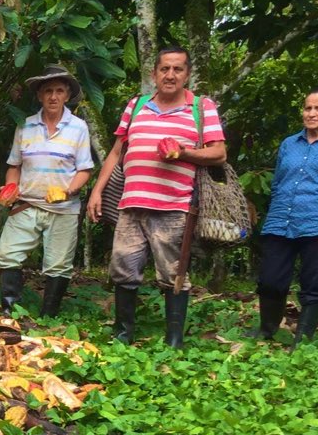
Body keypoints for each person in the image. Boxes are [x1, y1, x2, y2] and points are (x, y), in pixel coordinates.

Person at [86, 47, 227, 347]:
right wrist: (97, 191)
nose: (170, 75)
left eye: (177, 69)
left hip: (175, 205)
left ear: (187, 74)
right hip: (132, 202)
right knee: (123, 267)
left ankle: (173, 339)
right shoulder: (136, 106)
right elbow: (116, 153)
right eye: (164, 69)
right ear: (154, 73)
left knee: (172, 272)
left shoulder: (202, 108)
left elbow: (218, 152)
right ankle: (123, 334)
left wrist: (185, 151)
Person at [247, 88, 318, 347]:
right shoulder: (289, 143)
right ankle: (267, 329)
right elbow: (277, 184)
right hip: (280, 223)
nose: (311, 113)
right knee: (270, 279)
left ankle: (302, 339)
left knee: (315, 284)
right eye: (308, 108)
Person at [0, 65, 93, 317]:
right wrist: (10, 187)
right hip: (26, 203)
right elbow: (14, 165)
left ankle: (47, 318)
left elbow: (85, 170)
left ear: (67, 95)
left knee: (59, 265)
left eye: (59, 91)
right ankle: (10, 313)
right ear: (39, 95)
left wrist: (69, 191)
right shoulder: (25, 125)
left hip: (63, 207)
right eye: (48, 90)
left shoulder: (78, 127)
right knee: (8, 254)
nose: (53, 96)